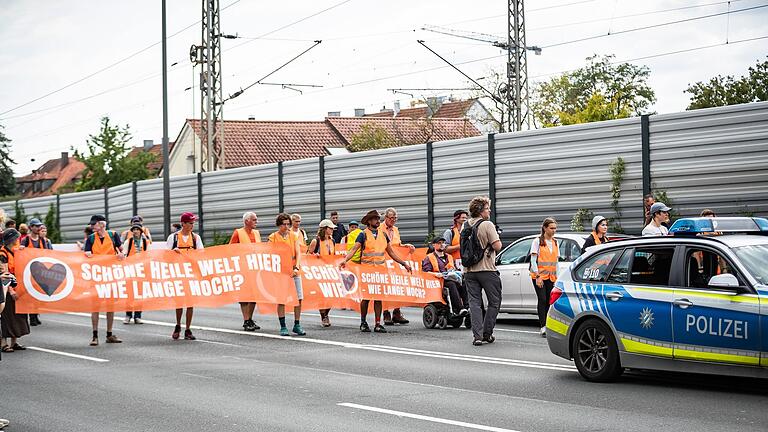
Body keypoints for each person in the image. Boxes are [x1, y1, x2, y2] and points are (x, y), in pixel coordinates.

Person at [340, 210, 412, 333]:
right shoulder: (363, 234)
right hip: (367, 271)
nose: (378, 221)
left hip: (380, 271)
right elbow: (354, 249)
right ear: (369, 221)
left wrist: (404, 263)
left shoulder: (383, 235)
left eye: (378, 219)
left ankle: (378, 324)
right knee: (366, 298)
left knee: (378, 297)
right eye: (375, 219)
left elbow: (391, 252)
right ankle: (363, 322)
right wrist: (345, 260)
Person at [464, 196, 503, 346]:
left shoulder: (465, 225)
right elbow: (498, 246)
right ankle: (487, 333)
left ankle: (477, 336)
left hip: (469, 270)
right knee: (494, 302)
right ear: (480, 211)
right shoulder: (487, 224)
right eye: (487, 208)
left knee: (474, 303)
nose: (489, 210)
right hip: (486, 269)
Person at [83, 215, 124, 346]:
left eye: (94, 224)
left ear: (101, 224)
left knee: (110, 306)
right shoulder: (90, 239)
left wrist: (121, 255)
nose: (91, 226)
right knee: (95, 306)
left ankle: (109, 334)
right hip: (96, 276)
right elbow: (86, 255)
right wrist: (87, 255)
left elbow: (122, 252)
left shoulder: (113, 235)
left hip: (110, 275)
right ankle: (94, 335)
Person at [167, 212, 204, 340]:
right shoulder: (173, 237)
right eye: (190, 223)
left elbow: (201, 254)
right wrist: (173, 252)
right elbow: (166, 255)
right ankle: (178, 325)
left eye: (193, 223)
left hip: (191, 273)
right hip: (178, 273)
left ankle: (188, 329)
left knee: (190, 302)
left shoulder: (196, 238)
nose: (192, 225)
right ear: (183, 223)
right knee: (179, 301)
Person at [268, 213, 306, 336]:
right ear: (279, 225)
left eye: (288, 224)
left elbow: (298, 253)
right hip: (281, 271)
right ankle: (283, 326)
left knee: (299, 298)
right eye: (283, 224)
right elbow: (270, 254)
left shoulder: (293, 236)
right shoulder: (273, 237)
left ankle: (297, 324)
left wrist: (296, 266)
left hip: (294, 269)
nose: (286, 226)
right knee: (281, 299)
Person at [381, 207, 414, 325]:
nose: (394, 220)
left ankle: (397, 312)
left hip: (395, 263)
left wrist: (406, 246)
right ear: (386, 218)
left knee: (397, 285)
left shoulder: (395, 229)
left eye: (395, 218)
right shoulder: (380, 229)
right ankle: (386, 313)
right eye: (391, 218)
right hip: (384, 262)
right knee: (386, 286)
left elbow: (397, 245)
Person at [229, 211, 262, 332]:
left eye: (256, 220)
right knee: (244, 295)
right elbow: (230, 249)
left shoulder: (257, 233)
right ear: (246, 221)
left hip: (255, 268)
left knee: (254, 295)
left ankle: (250, 319)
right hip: (242, 268)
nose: (256, 222)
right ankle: (246, 320)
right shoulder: (238, 232)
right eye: (254, 220)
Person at [0, 229, 30, 353]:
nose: (18, 240)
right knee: (6, 316)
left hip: (19, 288)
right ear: (12, 240)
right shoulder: (3, 254)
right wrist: (10, 290)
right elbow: (5, 274)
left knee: (18, 315)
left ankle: (14, 342)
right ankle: (3, 343)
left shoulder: (17, 251)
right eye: (16, 238)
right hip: (6, 288)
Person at [422, 237, 467, 316]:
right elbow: (425, 272)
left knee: (464, 284)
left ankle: (467, 307)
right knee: (451, 285)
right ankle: (460, 308)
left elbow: (453, 268)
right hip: (439, 282)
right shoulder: (429, 257)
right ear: (434, 245)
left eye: (443, 243)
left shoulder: (449, 257)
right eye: (439, 243)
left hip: (451, 278)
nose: (442, 244)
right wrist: (436, 274)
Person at [530, 218, 559, 337]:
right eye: (551, 228)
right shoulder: (537, 241)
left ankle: (548, 324)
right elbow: (533, 260)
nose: (554, 230)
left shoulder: (555, 242)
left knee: (549, 301)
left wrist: (557, 277)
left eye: (555, 228)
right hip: (539, 276)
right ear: (545, 228)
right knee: (542, 299)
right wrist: (537, 276)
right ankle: (543, 326)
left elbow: (556, 261)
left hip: (551, 277)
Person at [20, 218, 51, 327]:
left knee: (38, 293)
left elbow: (47, 253)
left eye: (39, 226)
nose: (38, 228)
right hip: (29, 270)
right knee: (31, 293)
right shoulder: (26, 240)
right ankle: (32, 316)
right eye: (36, 226)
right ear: (31, 227)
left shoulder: (42, 240)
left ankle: (35, 314)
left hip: (40, 270)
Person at [308, 219, 337, 327]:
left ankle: (326, 313)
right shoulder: (316, 241)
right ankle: (323, 316)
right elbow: (307, 256)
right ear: (325, 229)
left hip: (330, 271)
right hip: (319, 272)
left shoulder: (332, 240)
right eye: (330, 228)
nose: (332, 230)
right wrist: (314, 256)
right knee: (322, 295)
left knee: (332, 295)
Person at [123, 223, 149, 324]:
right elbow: (125, 254)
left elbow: (149, 256)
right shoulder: (128, 242)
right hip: (130, 270)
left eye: (137, 229)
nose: (135, 231)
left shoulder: (146, 242)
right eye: (133, 229)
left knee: (139, 293)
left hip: (141, 271)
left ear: (141, 231)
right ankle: (128, 315)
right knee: (130, 293)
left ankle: (138, 316)